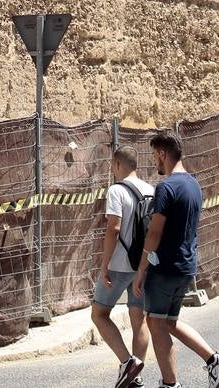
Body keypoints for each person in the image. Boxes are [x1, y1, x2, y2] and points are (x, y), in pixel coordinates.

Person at [132, 131, 219, 388]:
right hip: (186, 266)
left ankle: (170, 383)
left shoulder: (165, 187)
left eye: (156, 156)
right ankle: (214, 360)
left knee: (155, 323)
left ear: (163, 154)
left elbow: (155, 232)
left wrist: (142, 268)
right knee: (169, 322)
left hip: (163, 267)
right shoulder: (193, 184)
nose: (155, 162)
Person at [91, 144, 154, 388]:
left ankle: (127, 362)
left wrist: (104, 265)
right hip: (144, 266)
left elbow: (113, 228)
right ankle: (135, 376)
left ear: (117, 165)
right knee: (139, 319)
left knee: (99, 313)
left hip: (119, 265)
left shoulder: (116, 190)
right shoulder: (151, 190)